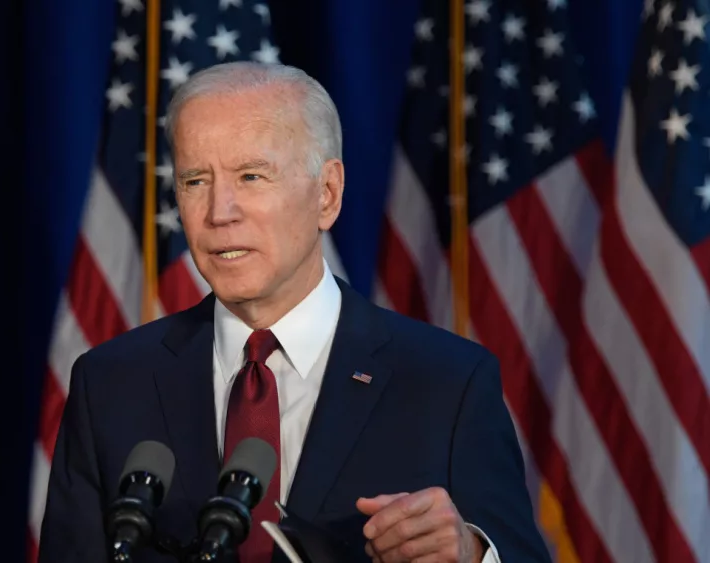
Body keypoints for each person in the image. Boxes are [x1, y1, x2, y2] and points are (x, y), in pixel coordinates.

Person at [38, 61, 551, 563]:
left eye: (251, 176)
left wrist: (471, 554)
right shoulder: (110, 385)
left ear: (327, 194)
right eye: (196, 181)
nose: (220, 212)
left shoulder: (449, 383)